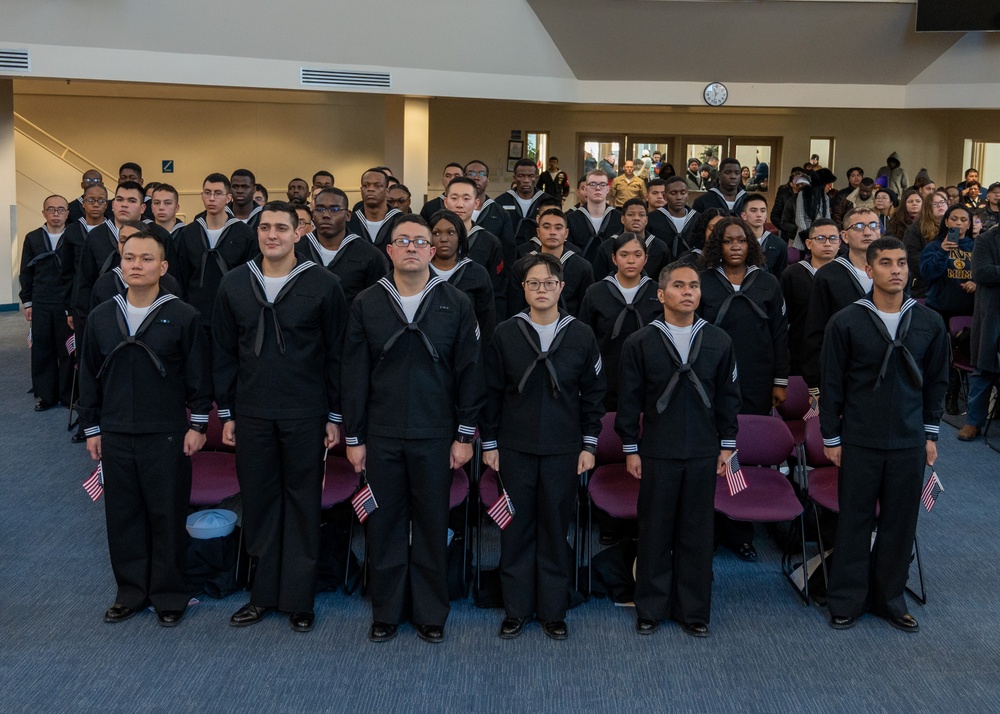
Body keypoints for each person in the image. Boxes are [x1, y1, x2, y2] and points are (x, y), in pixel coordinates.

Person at [343, 214, 484, 644]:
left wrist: (464, 435)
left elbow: (470, 372)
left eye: (419, 241)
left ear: (432, 250)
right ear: (389, 251)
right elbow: (353, 373)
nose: (411, 247)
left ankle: (429, 612)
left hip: (436, 435)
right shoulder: (367, 302)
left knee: (430, 523)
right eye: (401, 240)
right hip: (381, 435)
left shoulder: (456, 302)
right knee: (383, 523)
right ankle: (386, 610)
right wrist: (355, 437)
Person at [213, 201, 347, 633]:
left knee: (303, 503)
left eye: (281, 228)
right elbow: (223, 352)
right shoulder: (234, 284)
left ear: (298, 233)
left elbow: (337, 355)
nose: (272, 235)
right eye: (265, 227)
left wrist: (334, 415)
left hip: (306, 413)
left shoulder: (324, 284)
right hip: (252, 413)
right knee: (259, 502)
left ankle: (298, 597)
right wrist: (228, 413)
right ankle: (262, 593)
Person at [78, 230, 212, 627]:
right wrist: (92, 428)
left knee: (166, 515)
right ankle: (131, 592)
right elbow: (87, 376)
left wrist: (199, 423)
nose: (137, 265)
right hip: (116, 433)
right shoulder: (102, 315)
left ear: (163, 267)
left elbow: (198, 376)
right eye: (130, 258)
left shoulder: (184, 315)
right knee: (123, 517)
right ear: (121, 264)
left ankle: (169, 594)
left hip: (167, 433)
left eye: (147, 259)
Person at [821, 236, 949, 633]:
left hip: (909, 440)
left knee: (900, 523)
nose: (896, 270)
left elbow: (937, 383)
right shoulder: (846, 321)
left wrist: (930, 435)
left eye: (902, 263)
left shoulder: (929, 321)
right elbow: (832, 383)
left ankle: (890, 598)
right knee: (854, 523)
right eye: (887, 263)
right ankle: (846, 599)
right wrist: (831, 438)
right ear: (870, 270)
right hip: (859, 439)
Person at [481, 252, 605, 641]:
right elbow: (489, 392)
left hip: (564, 448)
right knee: (515, 528)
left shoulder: (581, 334)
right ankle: (516, 609)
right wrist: (490, 443)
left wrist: (589, 444)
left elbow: (594, 394)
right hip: (514, 448)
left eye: (548, 283)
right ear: (523, 289)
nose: (541, 290)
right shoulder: (505, 333)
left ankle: (553, 609)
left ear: (561, 287)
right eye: (533, 283)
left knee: (554, 528)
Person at [616, 261, 741, 638]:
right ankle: (651, 606)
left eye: (694, 286)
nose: (688, 291)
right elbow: (629, 400)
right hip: (657, 450)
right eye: (679, 285)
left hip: (704, 450)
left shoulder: (719, 340)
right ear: (661, 294)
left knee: (697, 532)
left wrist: (727, 444)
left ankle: (694, 610)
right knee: (654, 530)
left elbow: (728, 397)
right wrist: (630, 447)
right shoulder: (640, 341)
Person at [698, 218, 789, 562]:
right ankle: (710, 525)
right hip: (710, 379)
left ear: (751, 245)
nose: (735, 246)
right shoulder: (703, 282)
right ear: (716, 246)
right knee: (712, 450)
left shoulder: (768, 283)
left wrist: (780, 380)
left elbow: (780, 334)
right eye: (727, 241)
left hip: (756, 379)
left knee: (743, 450)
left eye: (741, 241)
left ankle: (740, 530)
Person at [579, 232, 663, 411]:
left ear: (646, 259)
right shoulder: (595, 292)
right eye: (624, 255)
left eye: (637, 255)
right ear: (614, 259)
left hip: (650, 380)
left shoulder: (659, 293)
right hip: (607, 380)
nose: (631, 260)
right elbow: (584, 340)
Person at [802, 207, 880, 397]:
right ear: (845, 236)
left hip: (882, 369)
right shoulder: (829, 275)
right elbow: (815, 329)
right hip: (843, 371)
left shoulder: (893, 271)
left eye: (873, 226)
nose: (868, 232)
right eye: (859, 226)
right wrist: (815, 380)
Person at [170, 174, 257, 343]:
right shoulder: (189, 232)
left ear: (228, 198)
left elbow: (249, 275)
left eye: (218, 193)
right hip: (196, 312)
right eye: (207, 192)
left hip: (232, 312)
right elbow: (180, 275)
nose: (211, 198)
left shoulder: (244, 233)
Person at [20, 195, 74, 411]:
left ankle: (68, 393)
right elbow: (26, 271)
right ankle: (45, 395)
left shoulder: (73, 237)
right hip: (41, 300)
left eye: (61, 210)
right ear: (43, 212)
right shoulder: (33, 238)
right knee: (42, 349)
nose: (56, 214)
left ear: (67, 213)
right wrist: (28, 301)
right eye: (51, 210)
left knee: (67, 349)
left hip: (65, 302)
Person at [920, 205, 976, 415]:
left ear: (969, 224)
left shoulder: (977, 246)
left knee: (961, 357)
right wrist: (944, 251)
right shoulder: (935, 246)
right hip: (940, 309)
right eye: (954, 219)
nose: (959, 224)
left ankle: (953, 394)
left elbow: (985, 273)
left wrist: (976, 282)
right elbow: (928, 274)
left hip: (968, 311)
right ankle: (934, 395)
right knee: (939, 356)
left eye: (963, 220)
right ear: (946, 222)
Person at [295, 187, 387, 306]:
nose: (326, 215)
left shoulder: (369, 255)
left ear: (348, 215)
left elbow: (376, 302)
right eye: (320, 209)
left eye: (334, 209)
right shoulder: (296, 250)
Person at [780, 219, 840, 375]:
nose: (827, 244)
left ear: (840, 242)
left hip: (838, 353)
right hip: (800, 352)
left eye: (833, 238)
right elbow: (783, 319)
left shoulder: (846, 274)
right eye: (820, 239)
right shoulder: (792, 274)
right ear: (808, 243)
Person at [509, 208, 594, 317]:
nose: (552, 232)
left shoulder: (583, 267)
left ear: (566, 233)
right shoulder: (521, 266)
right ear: (538, 232)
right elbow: (515, 307)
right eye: (546, 227)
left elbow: (586, 310)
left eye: (558, 228)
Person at [429, 209, 496, 343]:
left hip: (467, 349)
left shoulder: (477, 273)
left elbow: (486, 322)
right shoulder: (419, 272)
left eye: (451, 232)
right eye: (436, 233)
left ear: (460, 236)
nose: (444, 239)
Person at [443, 176, 507, 318]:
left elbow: (497, 291)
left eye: (466, 199)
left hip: (475, 316)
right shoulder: (432, 238)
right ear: (445, 202)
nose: (460, 204)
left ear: (476, 203)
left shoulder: (490, 242)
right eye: (454, 198)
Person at [960, 221, 1000, 441]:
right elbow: (982, 272)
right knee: (984, 371)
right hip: (993, 317)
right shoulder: (986, 239)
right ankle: (973, 422)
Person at [91, 221, 182, 308]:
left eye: (146, 259)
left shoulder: (169, 284)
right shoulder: (104, 283)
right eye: (123, 240)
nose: (128, 244)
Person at [590, 198, 669, 282]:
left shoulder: (660, 247)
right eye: (631, 214)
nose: (636, 218)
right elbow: (598, 280)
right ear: (622, 219)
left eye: (641, 215)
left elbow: (665, 281)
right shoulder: (607, 247)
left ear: (646, 220)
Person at [566, 169, 624, 267]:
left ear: (608, 189)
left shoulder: (619, 219)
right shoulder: (571, 219)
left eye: (602, 184)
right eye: (593, 184)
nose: (598, 188)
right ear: (586, 189)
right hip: (581, 272)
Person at [465, 160, 516, 270]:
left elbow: (508, 252)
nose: (476, 177)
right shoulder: (454, 210)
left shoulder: (501, 214)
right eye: (471, 173)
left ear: (488, 180)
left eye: (482, 174)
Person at [902, 190, 949, 298]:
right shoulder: (916, 229)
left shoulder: (955, 228)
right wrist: (934, 268)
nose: (940, 206)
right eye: (935, 204)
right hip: (925, 284)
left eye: (942, 202)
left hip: (951, 282)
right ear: (927, 208)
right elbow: (911, 256)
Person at [496, 158, 554, 245]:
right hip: (508, 252)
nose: (526, 180)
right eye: (521, 176)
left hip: (539, 252)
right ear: (514, 178)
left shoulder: (548, 201)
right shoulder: (501, 201)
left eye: (531, 176)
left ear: (536, 178)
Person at [347, 168, 402, 253]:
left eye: (377, 186)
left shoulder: (401, 220)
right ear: (361, 190)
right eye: (366, 185)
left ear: (387, 191)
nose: (370, 189)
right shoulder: (349, 222)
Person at [646, 176, 700, 262]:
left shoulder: (698, 219)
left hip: (692, 269)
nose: (678, 197)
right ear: (665, 196)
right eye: (673, 193)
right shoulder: (652, 219)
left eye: (683, 193)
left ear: (688, 196)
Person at [741, 193, 787, 277]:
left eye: (762, 210)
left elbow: (781, 276)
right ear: (744, 215)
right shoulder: (737, 242)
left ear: (766, 215)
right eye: (753, 210)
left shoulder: (779, 244)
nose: (759, 215)